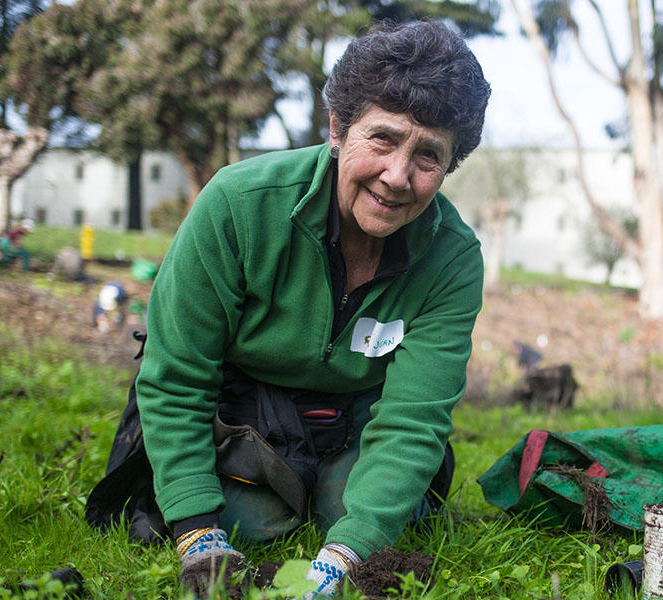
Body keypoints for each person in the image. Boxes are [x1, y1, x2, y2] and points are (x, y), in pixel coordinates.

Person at [84, 20, 490, 599]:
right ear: (336, 129)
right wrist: (197, 532)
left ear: (449, 167)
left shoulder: (453, 258)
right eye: (381, 139)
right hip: (242, 401)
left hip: (355, 413)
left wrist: (351, 550)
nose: (397, 177)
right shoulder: (236, 205)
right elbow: (176, 378)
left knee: (351, 512)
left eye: (428, 155)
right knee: (250, 520)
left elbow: (413, 418)